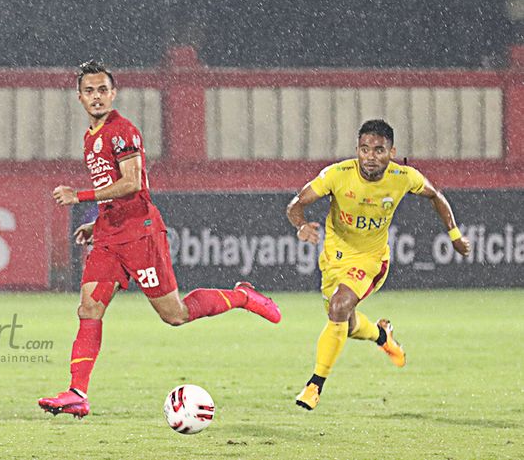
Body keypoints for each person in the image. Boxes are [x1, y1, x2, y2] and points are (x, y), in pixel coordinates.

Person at [38, 60, 281, 418]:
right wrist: (97, 223)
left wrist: (81, 196)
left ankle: (243, 296)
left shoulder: (123, 131)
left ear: (113, 93)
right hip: (109, 236)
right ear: (79, 97)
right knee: (89, 308)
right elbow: (116, 190)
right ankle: (77, 392)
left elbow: (133, 182)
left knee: (175, 315)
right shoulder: (91, 137)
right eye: (89, 91)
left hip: (140, 235)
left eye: (102, 90)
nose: (96, 97)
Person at [287, 119, 471, 411]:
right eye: (364, 149)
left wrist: (455, 235)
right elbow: (295, 204)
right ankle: (383, 335)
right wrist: (300, 226)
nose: (370, 157)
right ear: (357, 150)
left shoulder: (404, 176)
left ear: (391, 151)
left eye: (378, 150)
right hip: (333, 259)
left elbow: (436, 196)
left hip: (371, 260)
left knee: (338, 307)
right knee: (344, 324)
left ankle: (314, 385)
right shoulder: (336, 175)